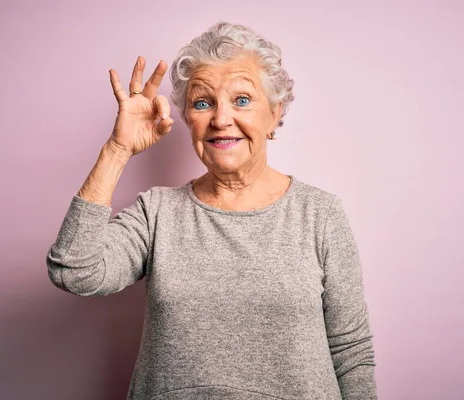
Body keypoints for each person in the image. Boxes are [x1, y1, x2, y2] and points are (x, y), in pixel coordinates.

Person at [46, 21, 377, 400]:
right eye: (203, 103)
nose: (220, 119)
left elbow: (351, 354)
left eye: (242, 100)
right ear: (188, 119)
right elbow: (74, 270)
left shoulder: (320, 214)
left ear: (275, 112)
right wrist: (117, 149)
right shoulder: (157, 213)